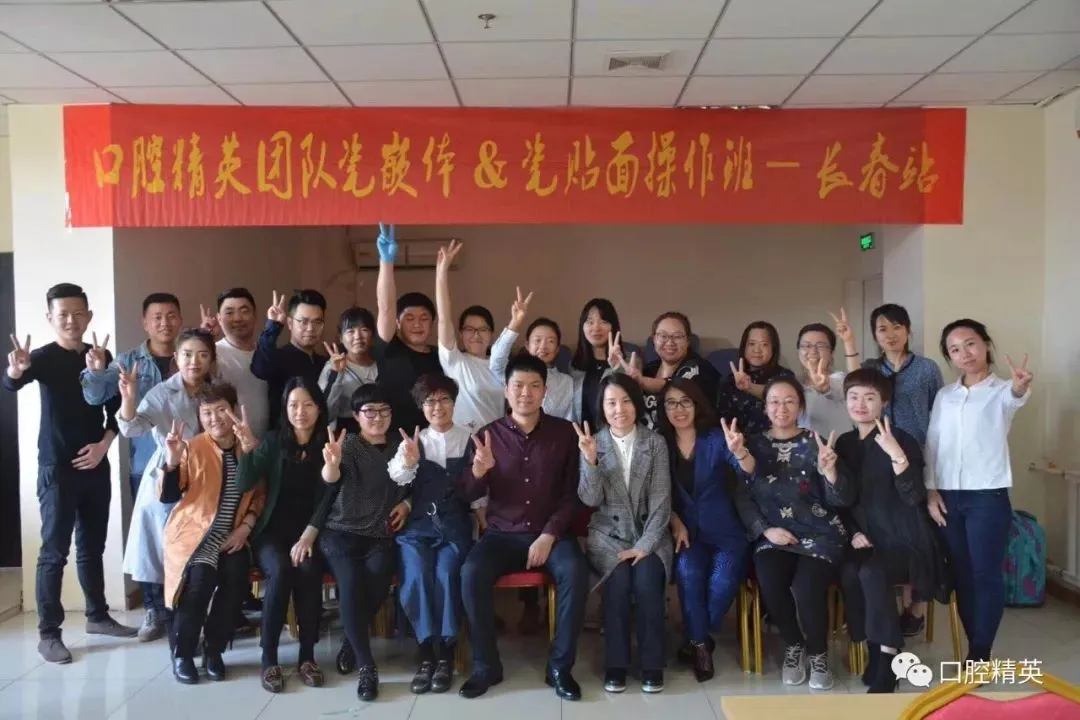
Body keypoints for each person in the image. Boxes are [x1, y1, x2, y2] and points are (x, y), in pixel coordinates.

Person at [4, 283, 137, 664]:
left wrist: (103, 446)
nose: (71, 320)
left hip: (96, 464)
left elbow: (116, 409)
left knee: (92, 547)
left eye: (78, 313)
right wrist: (14, 369)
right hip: (57, 468)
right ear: (50, 318)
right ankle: (49, 634)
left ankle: (97, 616)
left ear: (89, 316)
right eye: (62, 314)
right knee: (54, 553)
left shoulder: (101, 356)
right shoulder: (42, 358)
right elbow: (11, 383)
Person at [458, 354, 589, 701]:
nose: (525, 393)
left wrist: (549, 534)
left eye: (534, 386)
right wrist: (479, 471)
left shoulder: (564, 434)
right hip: (502, 534)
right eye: (518, 385)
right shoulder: (487, 436)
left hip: (551, 533)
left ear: (545, 391)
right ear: (506, 389)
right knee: (471, 572)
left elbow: (571, 494)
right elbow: (467, 494)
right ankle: (486, 666)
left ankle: (560, 667)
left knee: (575, 571)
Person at [734, 376, 854, 691]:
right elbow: (743, 497)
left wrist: (831, 471)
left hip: (820, 533)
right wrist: (766, 530)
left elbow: (842, 499)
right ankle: (793, 645)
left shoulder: (817, 442)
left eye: (789, 401)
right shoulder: (750, 445)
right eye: (774, 401)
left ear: (800, 406)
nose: (781, 408)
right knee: (771, 580)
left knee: (806, 587)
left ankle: (818, 654)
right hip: (774, 535)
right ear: (765, 407)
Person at [925, 319, 1032, 664]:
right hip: (947, 496)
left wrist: (1019, 388)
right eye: (955, 349)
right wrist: (930, 490)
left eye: (970, 344)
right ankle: (976, 646)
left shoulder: (1002, 391)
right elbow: (933, 443)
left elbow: (1015, 399)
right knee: (962, 574)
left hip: (987, 495)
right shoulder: (945, 395)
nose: (965, 354)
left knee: (985, 572)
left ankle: (980, 651)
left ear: (986, 344)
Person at [836, 368, 947, 693]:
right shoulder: (844, 443)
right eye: (854, 397)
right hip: (864, 538)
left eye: (869, 397)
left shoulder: (902, 438)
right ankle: (874, 649)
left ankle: (888, 659)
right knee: (849, 573)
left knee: (872, 573)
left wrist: (896, 455)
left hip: (904, 539)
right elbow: (842, 501)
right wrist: (852, 531)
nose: (860, 404)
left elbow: (914, 496)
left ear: (884, 402)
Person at [81, 291, 183, 641]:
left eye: (171, 315)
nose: (165, 323)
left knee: (185, 537)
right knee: (149, 541)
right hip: (146, 465)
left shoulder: (191, 355)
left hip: (192, 464)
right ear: (145, 322)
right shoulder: (128, 361)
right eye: (157, 317)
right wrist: (96, 372)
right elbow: (94, 396)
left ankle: (184, 608)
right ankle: (154, 610)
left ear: (180, 319)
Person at [235, 376, 336, 693]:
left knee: (308, 570)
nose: (300, 412)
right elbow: (244, 482)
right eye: (293, 405)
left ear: (319, 408)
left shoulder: (328, 444)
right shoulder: (274, 441)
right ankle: (269, 659)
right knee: (279, 571)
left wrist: (309, 536)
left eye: (307, 405)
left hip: (310, 532)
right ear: (285, 409)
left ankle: (307, 657)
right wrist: (247, 450)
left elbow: (329, 496)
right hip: (272, 532)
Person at [158, 383, 264, 684]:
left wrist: (245, 527)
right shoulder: (193, 447)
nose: (215, 418)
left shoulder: (249, 445)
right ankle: (182, 653)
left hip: (233, 536)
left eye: (221, 410)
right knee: (199, 583)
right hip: (194, 535)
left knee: (235, 583)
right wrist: (172, 461)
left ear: (234, 411)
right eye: (207, 413)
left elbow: (260, 495)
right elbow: (168, 496)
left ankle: (213, 650)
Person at [576, 374, 673, 694]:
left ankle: (651, 664)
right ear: (602, 408)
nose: (619, 409)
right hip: (608, 537)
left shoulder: (655, 443)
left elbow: (661, 503)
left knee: (646, 582)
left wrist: (645, 546)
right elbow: (590, 500)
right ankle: (615, 664)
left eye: (626, 401)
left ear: (637, 403)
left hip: (649, 534)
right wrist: (590, 461)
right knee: (617, 583)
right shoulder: (592, 442)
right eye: (611, 403)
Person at [117, 327, 217, 633]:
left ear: (211, 359)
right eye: (187, 354)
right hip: (169, 470)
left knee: (197, 547)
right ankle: (155, 611)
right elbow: (131, 428)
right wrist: (128, 399)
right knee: (158, 545)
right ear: (176, 357)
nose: (194, 362)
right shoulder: (162, 392)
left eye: (202, 355)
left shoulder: (216, 391)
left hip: (206, 472)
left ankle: (195, 616)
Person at [319, 383, 411, 701]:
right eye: (369, 411)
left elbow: (415, 484)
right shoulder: (347, 445)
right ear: (357, 416)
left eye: (383, 410)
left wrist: (407, 504)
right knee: (350, 585)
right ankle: (366, 666)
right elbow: (331, 478)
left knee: (378, 583)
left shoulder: (402, 445)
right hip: (341, 532)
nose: (377, 417)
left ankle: (350, 640)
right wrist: (331, 465)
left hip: (380, 535)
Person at [659, 379, 752, 682]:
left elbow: (748, 472)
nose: (679, 409)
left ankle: (694, 637)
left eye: (685, 401)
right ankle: (701, 649)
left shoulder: (717, 438)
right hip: (686, 533)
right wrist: (674, 520)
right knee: (688, 574)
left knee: (722, 584)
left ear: (697, 404)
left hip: (726, 532)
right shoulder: (659, 443)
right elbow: (656, 494)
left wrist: (741, 452)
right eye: (671, 403)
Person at [861, 303, 944, 636]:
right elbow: (856, 388)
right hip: (880, 461)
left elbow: (939, 416)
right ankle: (891, 607)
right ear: (875, 335)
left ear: (908, 331)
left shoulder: (926, 369)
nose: (891, 334)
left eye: (897, 327)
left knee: (920, 531)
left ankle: (917, 606)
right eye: (883, 329)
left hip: (918, 457)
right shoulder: (871, 368)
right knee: (889, 530)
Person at [388, 374, 474, 694]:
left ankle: (446, 655)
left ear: (454, 402)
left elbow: (478, 490)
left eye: (444, 399)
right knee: (416, 574)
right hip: (418, 527)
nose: (437, 407)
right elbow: (398, 476)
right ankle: (426, 653)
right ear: (421, 407)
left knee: (446, 574)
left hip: (455, 526)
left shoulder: (470, 438)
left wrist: (482, 518)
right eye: (430, 401)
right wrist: (408, 461)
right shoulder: (414, 441)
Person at [374, 223, 444, 434]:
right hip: (395, 438)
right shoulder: (390, 349)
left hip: (434, 439)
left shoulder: (441, 356)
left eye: (424, 318)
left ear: (432, 323)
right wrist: (386, 262)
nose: (417, 324)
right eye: (409, 318)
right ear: (397, 323)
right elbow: (386, 308)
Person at [432, 240, 502, 434]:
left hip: (496, 440)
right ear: (461, 333)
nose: (476, 335)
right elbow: (444, 318)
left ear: (491, 334)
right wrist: (441, 272)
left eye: (483, 329)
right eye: (470, 329)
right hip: (463, 441)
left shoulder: (501, 365)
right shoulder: (455, 361)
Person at [252, 289, 328, 430]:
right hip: (284, 439)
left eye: (317, 322)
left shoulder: (325, 363)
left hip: (320, 439)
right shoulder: (278, 357)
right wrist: (273, 327)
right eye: (303, 321)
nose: (310, 328)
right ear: (290, 323)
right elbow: (260, 369)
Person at [632, 312, 718, 430]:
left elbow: (679, 387)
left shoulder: (701, 369)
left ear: (688, 340)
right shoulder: (649, 370)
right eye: (663, 336)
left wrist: (642, 381)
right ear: (654, 339)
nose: (670, 342)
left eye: (677, 336)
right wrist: (616, 368)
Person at [211, 288, 270, 440]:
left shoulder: (266, 353)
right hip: (231, 444)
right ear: (219, 318)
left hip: (266, 444)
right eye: (229, 312)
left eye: (244, 311)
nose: (237, 318)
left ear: (255, 316)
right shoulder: (212, 356)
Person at [717, 321, 794, 436]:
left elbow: (782, 397)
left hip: (777, 442)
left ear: (773, 348)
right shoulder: (730, 381)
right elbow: (724, 419)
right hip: (739, 443)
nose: (757, 350)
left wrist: (750, 387)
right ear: (744, 347)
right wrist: (738, 440)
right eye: (752, 344)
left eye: (764, 344)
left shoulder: (785, 377)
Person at [319, 306, 379, 434]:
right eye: (350, 331)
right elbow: (324, 412)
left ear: (372, 335)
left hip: (380, 430)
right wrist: (336, 374)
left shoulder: (381, 366)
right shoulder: (332, 367)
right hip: (348, 434)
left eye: (364, 330)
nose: (358, 336)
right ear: (341, 337)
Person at [797, 318, 858, 438]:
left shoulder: (839, 380)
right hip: (806, 448)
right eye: (806, 345)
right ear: (799, 351)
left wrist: (848, 342)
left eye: (821, 346)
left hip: (839, 448)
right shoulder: (793, 385)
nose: (813, 351)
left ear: (832, 353)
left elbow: (859, 383)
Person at [572, 299, 624, 430]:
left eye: (604, 321)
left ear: (613, 326)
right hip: (580, 438)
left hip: (614, 437)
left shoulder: (628, 362)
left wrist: (618, 368)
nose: (596, 328)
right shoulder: (573, 365)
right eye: (590, 322)